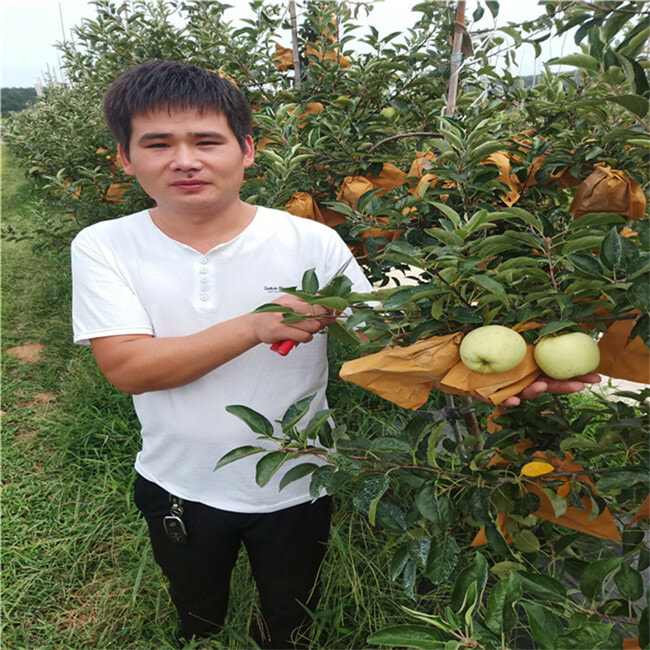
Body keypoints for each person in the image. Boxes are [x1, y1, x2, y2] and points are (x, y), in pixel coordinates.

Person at [71, 60, 600, 648]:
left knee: (292, 610)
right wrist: (254, 325)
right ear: (125, 158)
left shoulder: (310, 241)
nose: (186, 160)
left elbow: (388, 345)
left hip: (299, 477)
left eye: (207, 141)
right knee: (196, 606)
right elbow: (127, 368)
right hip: (178, 481)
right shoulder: (106, 245)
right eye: (158, 144)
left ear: (247, 150)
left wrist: (503, 372)